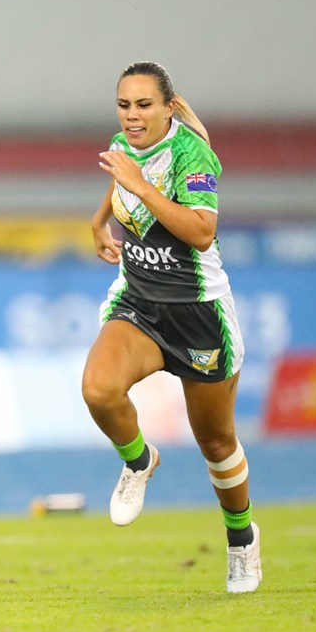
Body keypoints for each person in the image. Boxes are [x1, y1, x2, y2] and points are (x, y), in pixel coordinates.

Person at [81, 60, 261, 594]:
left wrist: (140, 184)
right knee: (98, 389)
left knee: (217, 441)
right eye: (124, 104)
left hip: (197, 311)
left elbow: (202, 232)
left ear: (168, 106)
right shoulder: (124, 143)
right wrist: (98, 219)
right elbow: (122, 188)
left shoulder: (192, 154)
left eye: (143, 105)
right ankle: (139, 460)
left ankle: (241, 540)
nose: (131, 116)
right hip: (139, 301)